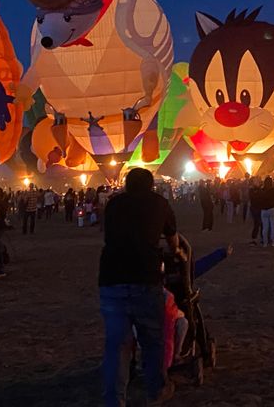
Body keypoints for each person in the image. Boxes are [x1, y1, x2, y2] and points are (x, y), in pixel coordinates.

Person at [99, 168, 178, 406]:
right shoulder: (159, 203)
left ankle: (115, 400)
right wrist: (174, 251)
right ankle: (155, 391)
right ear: (151, 185)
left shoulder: (113, 205)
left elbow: (108, 235)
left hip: (111, 279)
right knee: (152, 340)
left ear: (126, 184)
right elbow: (172, 240)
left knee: (117, 346)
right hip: (145, 278)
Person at [259, 177, 274, 248]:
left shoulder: (262, 191)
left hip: (264, 210)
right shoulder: (273, 190)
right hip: (273, 209)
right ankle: (273, 242)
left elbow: (259, 199)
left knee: (265, 227)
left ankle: (265, 243)